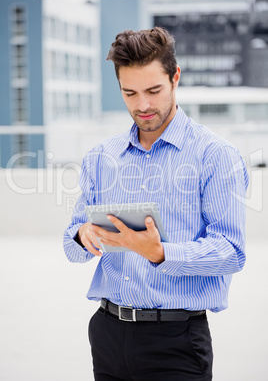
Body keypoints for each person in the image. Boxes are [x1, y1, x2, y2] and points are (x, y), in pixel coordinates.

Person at [63, 27, 249, 381]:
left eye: (153, 90)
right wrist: (82, 234)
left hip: (176, 342)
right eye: (129, 92)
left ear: (175, 77)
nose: (142, 105)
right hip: (108, 333)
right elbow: (72, 247)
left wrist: (160, 253)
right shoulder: (101, 158)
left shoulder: (216, 156)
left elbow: (231, 252)